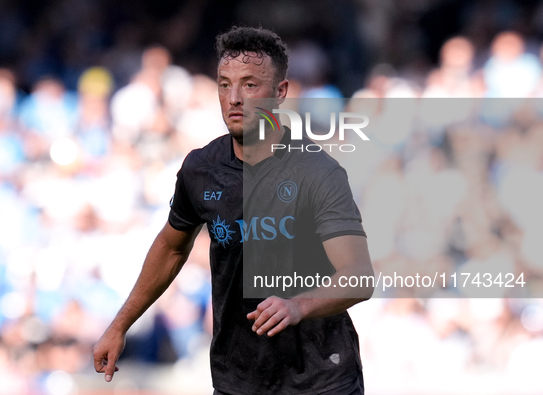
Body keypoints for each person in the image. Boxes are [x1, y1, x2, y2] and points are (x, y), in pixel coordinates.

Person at [93, 26, 374, 395]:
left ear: (280, 92)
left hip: (322, 379)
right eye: (224, 85)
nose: (234, 98)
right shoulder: (200, 168)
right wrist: (120, 325)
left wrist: (298, 306)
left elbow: (358, 275)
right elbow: (171, 247)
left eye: (250, 85)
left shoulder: (318, 173)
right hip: (238, 379)